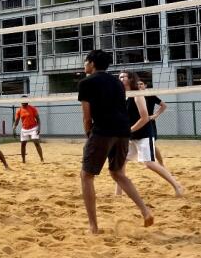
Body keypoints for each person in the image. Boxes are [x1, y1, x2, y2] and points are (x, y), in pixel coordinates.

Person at [77, 50, 153, 234]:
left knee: (86, 176)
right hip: (123, 131)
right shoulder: (118, 83)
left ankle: (93, 227)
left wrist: (89, 135)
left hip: (103, 131)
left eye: (86, 61)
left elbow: (87, 117)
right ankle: (145, 211)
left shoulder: (86, 82)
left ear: (92, 63)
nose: (84, 65)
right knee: (118, 173)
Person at [115, 72, 183, 197]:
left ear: (130, 79)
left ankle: (177, 185)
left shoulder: (138, 95)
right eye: (118, 77)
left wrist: (130, 130)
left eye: (123, 77)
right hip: (131, 136)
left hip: (144, 134)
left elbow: (145, 118)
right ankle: (118, 193)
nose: (120, 78)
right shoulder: (123, 96)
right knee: (121, 163)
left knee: (149, 163)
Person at [138, 80, 167, 167]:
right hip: (137, 122)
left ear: (145, 85)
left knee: (152, 145)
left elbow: (164, 105)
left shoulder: (150, 95)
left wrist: (155, 115)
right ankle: (148, 162)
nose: (139, 85)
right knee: (138, 143)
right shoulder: (133, 95)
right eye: (137, 84)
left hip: (148, 122)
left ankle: (161, 164)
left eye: (141, 84)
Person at [12, 96, 44, 163]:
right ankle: (23, 160)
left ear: (27, 101)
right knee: (23, 144)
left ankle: (41, 159)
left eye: (25, 100)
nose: (23, 102)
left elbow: (38, 119)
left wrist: (39, 127)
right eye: (22, 101)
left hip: (33, 128)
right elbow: (17, 120)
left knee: (36, 142)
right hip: (24, 129)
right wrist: (14, 126)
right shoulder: (19, 110)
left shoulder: (32, 108)